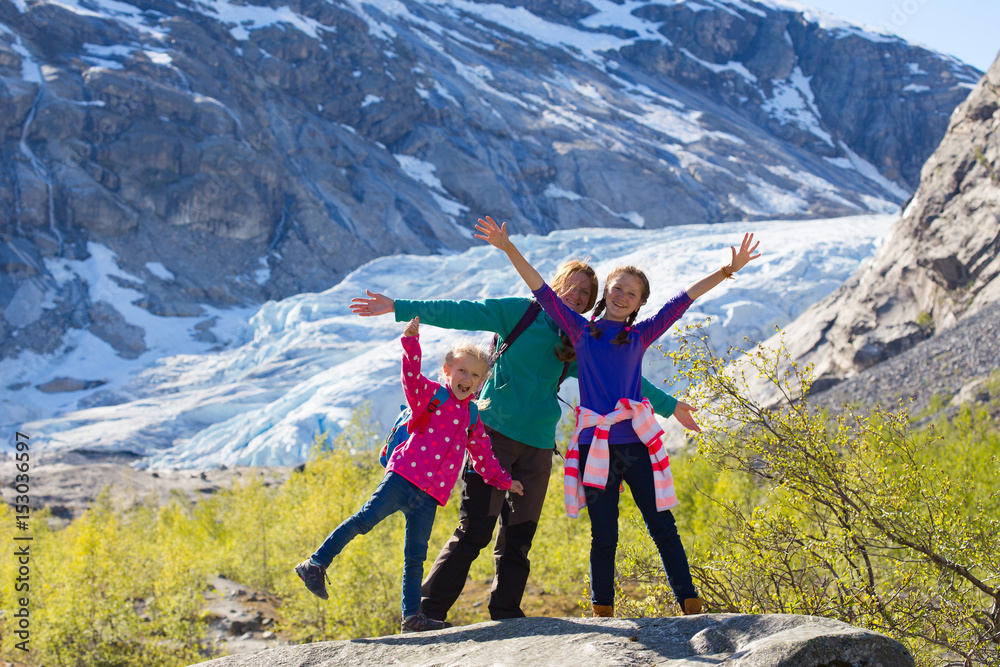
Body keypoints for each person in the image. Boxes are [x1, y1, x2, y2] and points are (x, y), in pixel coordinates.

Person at [350, 260, 701, 622]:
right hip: (492, 439)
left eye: (585, 293)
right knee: (475, 531)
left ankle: (506, 615)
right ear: (556, 283)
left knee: (519, 538)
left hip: (537, 447)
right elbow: (461, 311)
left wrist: (671, 406)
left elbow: (622, 378)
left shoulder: (576, 340)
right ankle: (427, 612)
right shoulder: (519, 313)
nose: (576, 296)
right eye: (572, 285)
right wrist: (399, 308)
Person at [476, 215, 760, 618]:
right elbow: (539, 287)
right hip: (596, 449)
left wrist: (727, 271)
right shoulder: (578, 331)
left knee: (663, 527)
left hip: (636, 446)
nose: (622, 295)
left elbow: (683, 299)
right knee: (603, 534)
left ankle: (691, 604)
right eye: (617, 288)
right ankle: (603, 610)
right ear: (605, 293)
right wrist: (509, 249)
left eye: (631, 293)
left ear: (639, 303)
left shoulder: (640, 334)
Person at [294, 316, 524, 633]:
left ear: (481, 381)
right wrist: (411, 341)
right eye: (461, 371)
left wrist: (504, 480)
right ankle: (314, 564)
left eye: (475, 375)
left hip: (429, 497)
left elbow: (482, 455)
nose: (467, 378)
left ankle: (411, 617)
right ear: (447, 371)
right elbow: (410, 376)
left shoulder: (471, 415)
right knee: (363, 520)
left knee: (415, 557)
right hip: (402, 479)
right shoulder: (430, 395)